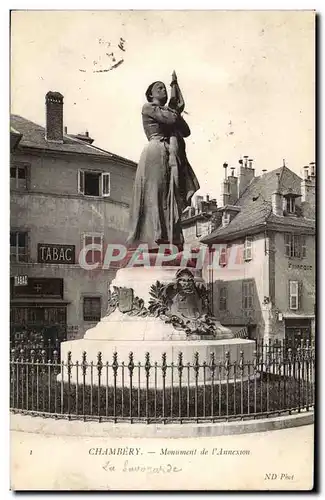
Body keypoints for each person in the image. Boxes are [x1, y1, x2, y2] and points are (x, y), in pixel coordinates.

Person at [126, 74, 199, 251]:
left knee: (170, 195)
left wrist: (175, 108)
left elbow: (186, 131)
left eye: (164, 87)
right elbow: (173, 119)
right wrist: (176, 109)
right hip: (155, 152)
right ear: (150, 94)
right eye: (159, 88)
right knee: (155, 193)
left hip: (168, 154)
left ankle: (169, 236)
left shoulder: (167, 111)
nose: (163, 89)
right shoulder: (149, 107)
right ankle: (154, 237)